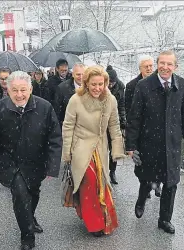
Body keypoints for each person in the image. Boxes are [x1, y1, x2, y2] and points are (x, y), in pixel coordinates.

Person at [0, 71, 62, 250]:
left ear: (30, 89)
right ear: (8, 91)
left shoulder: (44, 107)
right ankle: (27, 237)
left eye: (23, 90)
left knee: (33, 193)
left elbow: (55, 138)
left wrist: (52, 165)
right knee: (20, 196)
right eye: (14, 90)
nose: (19, 95)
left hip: (36, 161)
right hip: (11, 162)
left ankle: (30, 217)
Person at [125, 50, 184, 234]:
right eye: (162, 63)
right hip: (149, 142)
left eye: (169, 64)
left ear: (175, 67)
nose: (165, 67)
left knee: (171, 183)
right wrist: (131, 145)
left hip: (171, 144)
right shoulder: (144, 86)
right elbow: (135, 118)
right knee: (147, 178)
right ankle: (142, 199)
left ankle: (165, 219)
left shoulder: (182, 86)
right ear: (157, 64)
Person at [62, 65, 125, 237]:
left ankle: (101, 219)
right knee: (89, 182)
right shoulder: (76, 100)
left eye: (101, 84)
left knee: (101, 183)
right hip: (81, 146)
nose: (97, 88)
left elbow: (114, 125)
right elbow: (67, 127)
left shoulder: (110, 100)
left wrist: (117, 150)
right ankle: (94, 223)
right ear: (86, 84)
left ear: (106, 83)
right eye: (93, 84)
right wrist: (67, 152)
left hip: (100, 147)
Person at [125, 55, 161, 197]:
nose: (149, 69)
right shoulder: (132, 86)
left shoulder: (160, 83)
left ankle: (157, 183)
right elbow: (129, 110)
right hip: (140, 131)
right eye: (146, 66)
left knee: (158, 160)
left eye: (151, 66)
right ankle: (144, 186)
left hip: (157, 129)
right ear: (140, 68)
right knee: (141, 163)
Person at [105, 65, 126, 185]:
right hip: (102, 122)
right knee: (102, 148)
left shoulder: (120, 87)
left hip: (114, 121)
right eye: (109, 82)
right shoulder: (100, 85)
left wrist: (123, 119)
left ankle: (112, 171)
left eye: (112, 82)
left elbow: (122, 104)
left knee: (114, 149)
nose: (110, 85)